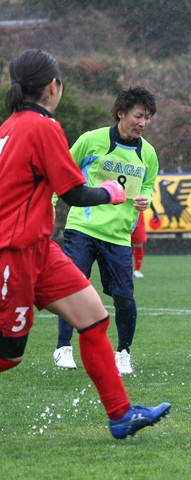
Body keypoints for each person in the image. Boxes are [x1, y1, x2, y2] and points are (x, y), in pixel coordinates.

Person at [0, 49, 170, 438]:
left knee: (93, 317)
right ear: (53, 86)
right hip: (14, 250)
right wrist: (110, 191)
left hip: (39, 249)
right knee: (8, 357)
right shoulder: (41, 127)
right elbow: (74, 192)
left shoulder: (11, 126)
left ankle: (121, 414)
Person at [53, 86, 159, 375]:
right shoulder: (91, 140)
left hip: (118, 236)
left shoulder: (148, 153)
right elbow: (62, 170)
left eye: (148, 118)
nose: (143, 123)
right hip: (82, 227)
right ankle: (63, 347)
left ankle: (123, 354)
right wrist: (49, 205)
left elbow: (148, 185)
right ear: (120, 113)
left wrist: (145, 199)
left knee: (124, 297)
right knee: (73, 286)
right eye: (138, 116)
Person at [131, 208, 157, 278]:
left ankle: (137, 270)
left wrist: (154, 210)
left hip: (139, 217)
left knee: (139, 244)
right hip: (126, 216)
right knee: (123, 244)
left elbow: (147, 198)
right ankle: (124, 269)